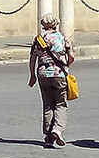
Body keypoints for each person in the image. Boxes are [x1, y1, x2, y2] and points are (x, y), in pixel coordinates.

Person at [28, 15, 74, 148]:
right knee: (60, 103)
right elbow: (71, 56)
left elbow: (32, 58)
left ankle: (48, 135)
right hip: (59, 74)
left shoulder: (38, 39)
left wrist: (32, 75)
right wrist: (66, 66)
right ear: (55, 24)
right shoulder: (62, 37)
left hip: (43, 74)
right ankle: (57, 130)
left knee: (48, 104)